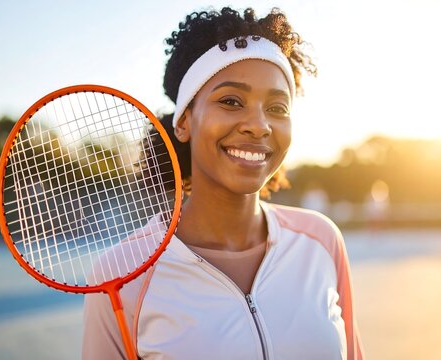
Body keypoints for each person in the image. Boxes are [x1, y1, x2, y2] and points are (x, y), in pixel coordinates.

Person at [83, 6, 364, 359]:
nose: (259, 125)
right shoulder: (121, 273)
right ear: (183, 123)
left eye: (277, 108)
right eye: (231, 101)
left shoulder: (321, 241)